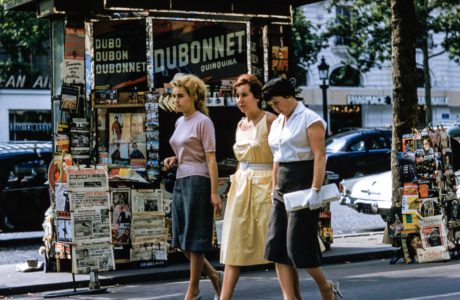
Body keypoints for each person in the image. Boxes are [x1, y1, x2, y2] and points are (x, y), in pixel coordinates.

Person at [262, 77, 342, 300]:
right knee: (276, 247)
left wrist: (315, 190)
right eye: (271, 105)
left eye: (277, 102)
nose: (275, 107)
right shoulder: (278, 122)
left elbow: (320, 156)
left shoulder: (310, 119)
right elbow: (277, 158)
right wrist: (273, 188)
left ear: (289, 96)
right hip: (282, 186)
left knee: (297, 247)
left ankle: (325, 286)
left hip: (304, 183)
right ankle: (290, 297)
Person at [163, 73, 223, 300]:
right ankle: (215, 275)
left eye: (180, 96)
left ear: (193, 97)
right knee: (180, 239)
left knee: (196, 239)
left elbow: (210, 159)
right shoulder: (180, 121)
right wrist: (174, 158)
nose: (175, 100)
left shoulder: (203, 122)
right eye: (174, 96)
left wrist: (214, 192)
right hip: (181, 179)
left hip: (199, 182)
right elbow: (187, 151)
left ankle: (194, 288)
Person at [219, 74, 276, 300]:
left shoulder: (270, 121)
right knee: (234, 244)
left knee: (279, 247)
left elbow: (280, 156)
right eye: (237, 96)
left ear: (257, 97)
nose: (240, 100)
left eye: (245, 95)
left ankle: (304, 292)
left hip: (265, 184)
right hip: (242, 185)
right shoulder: (240, 124)